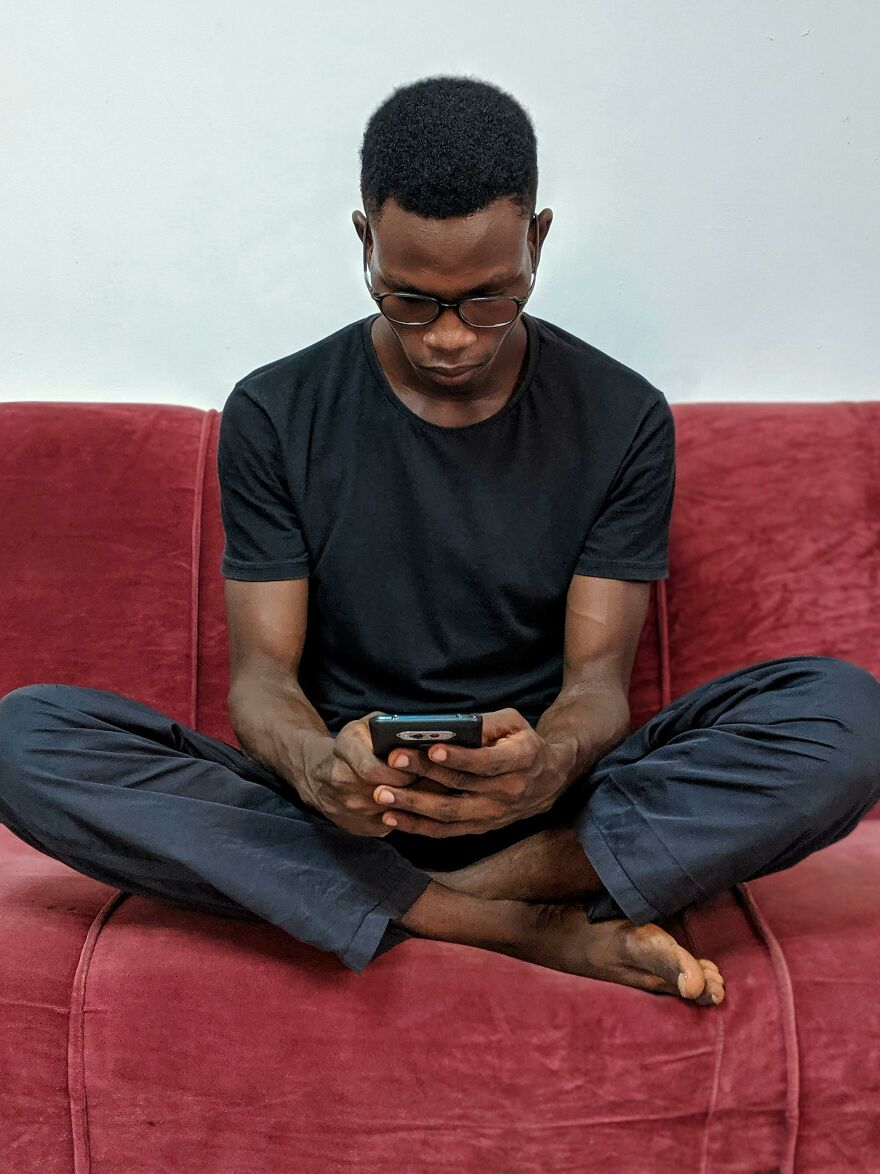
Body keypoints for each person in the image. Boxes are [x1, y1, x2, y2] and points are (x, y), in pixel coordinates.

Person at [2, 76, 879, 1009]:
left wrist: (544, 766)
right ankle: (516, 925)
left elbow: (596, 687)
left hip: (545, 809)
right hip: (338, 814)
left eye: (489, 300)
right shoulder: (276, 411)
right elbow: (261, 679)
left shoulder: (623, 419)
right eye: (409, 300)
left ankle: (435, 902)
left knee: (845, 717)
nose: (451, 338)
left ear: (537, 242)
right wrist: (317, 767)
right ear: (362, 242)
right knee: (25, 735)